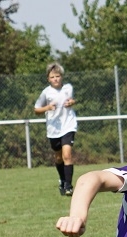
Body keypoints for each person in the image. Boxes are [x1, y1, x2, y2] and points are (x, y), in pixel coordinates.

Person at [34, 62, 77, 196]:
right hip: (53, 129)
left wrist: (72, 102)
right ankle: (62, 180)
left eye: (57, 76)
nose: (55, 79)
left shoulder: (68, 88)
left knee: (67, 155)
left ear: (61, 76)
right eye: (52, 77)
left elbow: (71, 100)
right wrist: (47, 108)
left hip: (68, 125)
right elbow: (36, 109)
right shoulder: (46, 93)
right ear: (48, 79)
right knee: (58, 158)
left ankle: (69, 186)